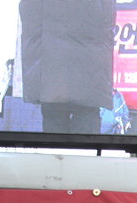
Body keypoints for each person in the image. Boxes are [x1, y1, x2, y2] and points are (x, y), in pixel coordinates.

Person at [18, 0, 115, 134]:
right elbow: (106, 19)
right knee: (86, 120)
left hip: (51, 66)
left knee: (55, 119)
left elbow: (30, 15)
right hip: (87, 66)